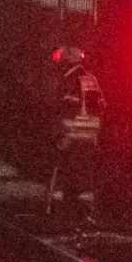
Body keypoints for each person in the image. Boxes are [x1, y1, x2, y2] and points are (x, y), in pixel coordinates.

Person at [47, 47, 104, 226]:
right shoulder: (91, 78)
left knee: (64, 170)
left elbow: (62, 109)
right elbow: (101, 105)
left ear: (67, 62)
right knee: (84, 172)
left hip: (71, 134)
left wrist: (61, 135)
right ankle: (87, 212)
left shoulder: (67, 81)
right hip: (88, 134)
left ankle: (59, 212)